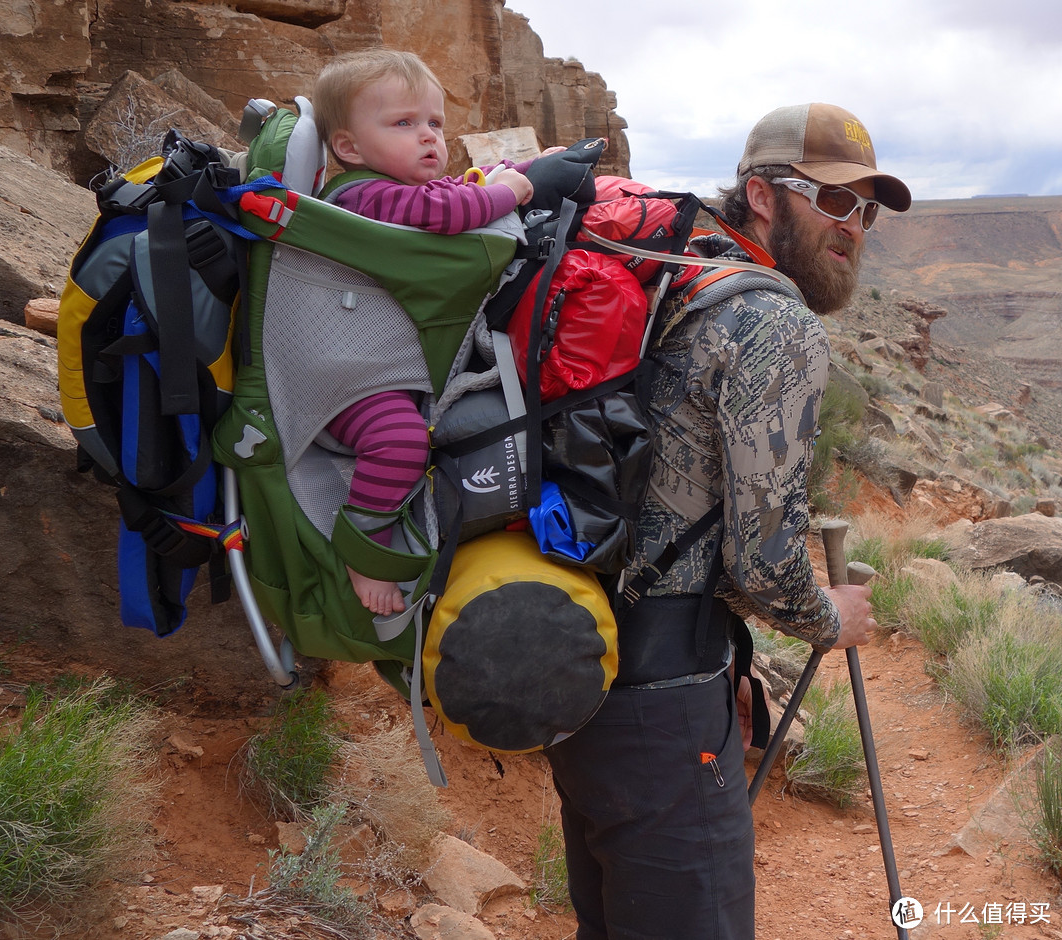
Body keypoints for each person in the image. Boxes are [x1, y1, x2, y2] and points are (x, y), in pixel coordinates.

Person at [543, 102, 912, 940]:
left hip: (584, 674)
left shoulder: (674, 273)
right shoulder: (771, 320)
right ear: (761, 193)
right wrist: (829, 617)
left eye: (868, 208)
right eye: (833, 200)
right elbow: (764, 561)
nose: (855, 226)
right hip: (664, 708)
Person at [310, 49, 558, 615]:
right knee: (398, 437)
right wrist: (513, 190)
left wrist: (489, 182)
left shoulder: (388, 191)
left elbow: (445, 197)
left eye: (435, 124)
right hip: (341, 381)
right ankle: (364, 546)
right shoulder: (360, 195)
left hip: (371, 359)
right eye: (403, 123)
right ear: (349, 147)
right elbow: (446, 215)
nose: (427, 137)